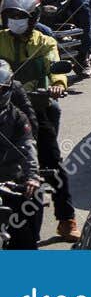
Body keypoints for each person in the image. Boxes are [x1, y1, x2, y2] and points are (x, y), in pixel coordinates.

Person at [0, 0, 72, 243]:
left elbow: (56, 66)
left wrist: (58, 84)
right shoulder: (0, 40)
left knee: (51, 162)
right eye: (9, 16)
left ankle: (66, 217)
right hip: (3, 109)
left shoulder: (45, 43)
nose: (14, 20)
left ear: (33, 18)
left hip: (37, 108)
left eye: (19, 16)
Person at [0, 59, 42, 249]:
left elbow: (27, 146)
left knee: (32, 205)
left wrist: (32, 176)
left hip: (9, 179)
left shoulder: (17, 117)